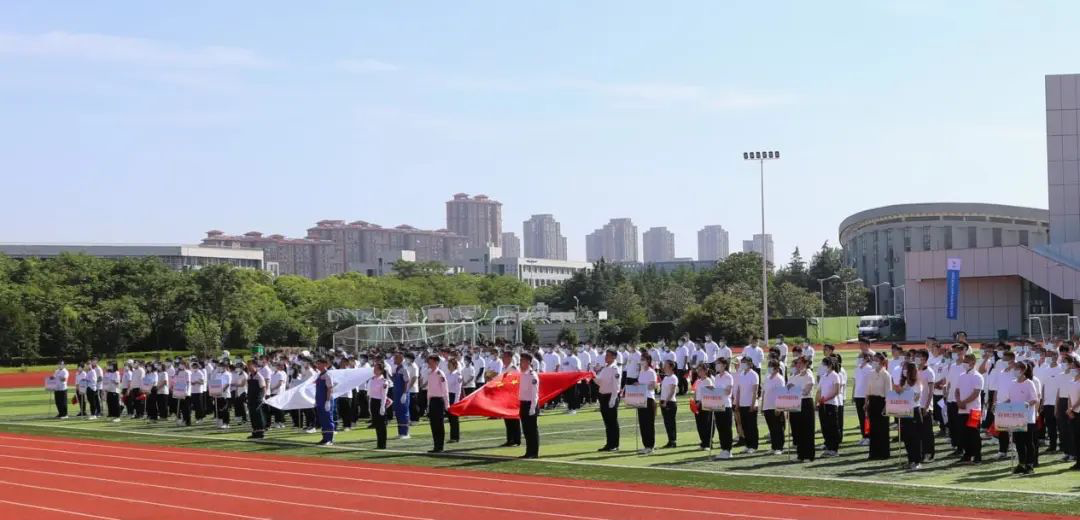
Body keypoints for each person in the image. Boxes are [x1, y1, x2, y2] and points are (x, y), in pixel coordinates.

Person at [1007, 361, 1040, 475]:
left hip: (1027, 418)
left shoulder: (1029, 383)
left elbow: (1034, 399)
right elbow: (1010, 399)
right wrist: (1001, 405)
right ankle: (1021, 463)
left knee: (1028, 442)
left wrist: (1026, 405)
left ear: (1022, 370)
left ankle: (1030, 465)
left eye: (1016, 368)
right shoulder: (1012, 383)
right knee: (1019, 442)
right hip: (1016, 417)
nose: (1014, 370)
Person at [956, 353, 985, 464]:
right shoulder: (961, 375)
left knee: (974, 434)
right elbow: (957, 391)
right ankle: (967, 455)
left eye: (967, 361)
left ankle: (977, 456)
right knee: (964, 433)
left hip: (974, 410)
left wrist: (964, 402)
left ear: (973, 362)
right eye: (964, 361)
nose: (965, 363)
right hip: (962, 409)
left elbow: (976, 393)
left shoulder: (978, 376)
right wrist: (959, 402)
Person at [896, 361, 923, 469]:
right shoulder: (903, 383)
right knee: (907, 438)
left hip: (914, 411)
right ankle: (910, 460)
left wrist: (902, 392)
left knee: (915, 438)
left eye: (906, 368)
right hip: (904, 412)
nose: (904, 370)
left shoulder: (916, 383)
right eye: (903, 368)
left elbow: (915, 398)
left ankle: (917, 461)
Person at [789, 356, 816, 462]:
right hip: (795, 403)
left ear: (805, 364)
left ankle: (809, 455)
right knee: (798, 430)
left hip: (805, 403)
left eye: (800, 363)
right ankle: (800, 454)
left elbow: (806, 391)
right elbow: (788, 388)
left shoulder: (809, 375)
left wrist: (794, 390)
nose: (798, 365)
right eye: (797, 363)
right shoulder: (795, 376)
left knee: (807, 430)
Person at [865, 352, 892, 460]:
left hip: (882, 402)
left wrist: (886, 406)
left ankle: (883, 453)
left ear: (881, 361)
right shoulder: (871, 373)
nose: (874, 362)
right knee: (874, 428)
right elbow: (868, 390)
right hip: (873, 401)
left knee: (883, 428)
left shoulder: (886, 375)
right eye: (873, 360)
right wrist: (866, 402)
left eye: (876, 360)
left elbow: (888, 392)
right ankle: (873, 453)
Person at [733, 356, 760, 455]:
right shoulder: (741, 374)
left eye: (745, 362)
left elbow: (755, 391)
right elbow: (739, 390)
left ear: (750, 363)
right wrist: (737, 403)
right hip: (742, 404)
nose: (743, 364)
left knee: (751, 426)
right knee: (744, 426)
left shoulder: (754, 375)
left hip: (750, 404)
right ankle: (748, 445)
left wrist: (753, 404)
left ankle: (754, 446)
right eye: (742, 362)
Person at [596, 349, 622, 452]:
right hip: (603, 396)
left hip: (611, 396)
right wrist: (593, 375)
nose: (605, 357)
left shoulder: (615, 368)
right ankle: (609, 443)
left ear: (614, 357)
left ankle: (615, 444)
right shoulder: (605, 367)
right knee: (607, 422)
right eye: (606, 355)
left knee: (613, 422)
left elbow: (616, 385)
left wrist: (613, 399)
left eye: (608, 355)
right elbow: (600, 382)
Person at [817, 356, 843, 458]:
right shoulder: (824, 376)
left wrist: (826, 399)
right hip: (822, 404)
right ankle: (828, 446)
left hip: (831, 404)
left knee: (832, 426)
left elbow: (836, 391)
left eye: (825, 364)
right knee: (825, 427)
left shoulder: (835, 375)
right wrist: (818, 401)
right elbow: (819, 390)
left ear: (830, 365)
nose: (823, 366)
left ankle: (834, 449)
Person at [710, 357, 735, 460]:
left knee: (726, 428)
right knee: (720, 428)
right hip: (717, 405)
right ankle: (723, 448)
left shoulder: (728, 377)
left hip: (726, 405)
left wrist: (717, 391)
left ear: (724, 365)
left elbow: (728, 391)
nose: (717, 365)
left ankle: (728, 450)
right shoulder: (716, 377)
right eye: (716, 364)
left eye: (718, 363)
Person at [518, 352, 541, 459]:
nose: (520, 363)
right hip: (523, 403)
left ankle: (534, 452)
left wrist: (532, 408)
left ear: (528, 362)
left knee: (532, 429)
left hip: (530, 404)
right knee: (526, 430)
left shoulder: (532, 375)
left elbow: (534, 394)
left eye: (522, 361)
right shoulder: (522, 373)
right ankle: (528, 451)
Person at [761, 360, 786, 455]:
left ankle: (779, 447)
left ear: (776, 368)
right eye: (769, 365)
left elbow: (781, 393)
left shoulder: (780, 379)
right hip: (767, 406)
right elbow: (764, 392)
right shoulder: (767, 378)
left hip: (775, 406)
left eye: (771, 366)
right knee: (771, 428)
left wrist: (779, 407)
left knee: (778, 428)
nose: (769, 368)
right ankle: (774, 446)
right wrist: (763, 406)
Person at [635, 353, 658, 455]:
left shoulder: (651, 372)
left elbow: (653, 386)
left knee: (649, 424)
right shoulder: (641, 372)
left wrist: (641, 385)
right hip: (641, 399)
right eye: (641, 359)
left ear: (648, 360)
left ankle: (651, 446)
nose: (642, 361)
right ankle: (646, 445)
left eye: (643, 359)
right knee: (642, 424)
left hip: (649, 399)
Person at [367, 363, 392, 449]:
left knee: (382, 425)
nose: (374, 370)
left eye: (376, 369)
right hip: (373, 401)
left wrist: (382, 406)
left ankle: (383, 444)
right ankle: (379, 443)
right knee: (376, 424)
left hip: (380, 402)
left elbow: (384, 395)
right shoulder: (372, 379)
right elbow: (370, 394)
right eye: (374, 368)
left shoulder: (384, 381)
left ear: (381, 371)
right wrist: (370, 405)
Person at [390, 352, 413, 440]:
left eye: (396, 358)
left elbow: (407, 381)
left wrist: (404, 393)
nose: (394, 360)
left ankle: (405, 433)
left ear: (401, 358)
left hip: (403, 393)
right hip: (397, 393)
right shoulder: (397, 368)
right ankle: (400, 432)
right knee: (398, 412)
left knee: (404, 413)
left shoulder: (404, 368)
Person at [314, 358, 336, 446]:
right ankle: (324, 437)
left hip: (326, 400)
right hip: (320, 400)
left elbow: (330, 388)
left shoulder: (328, 375)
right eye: (317, 363)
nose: (317, 365)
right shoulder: (319, 374)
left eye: (319, 364)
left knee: (328, 420)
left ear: (325, 364)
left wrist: (327, 401)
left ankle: (329, 439)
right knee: (323, 420)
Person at [692, 364, 714, 450]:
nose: (699, 371)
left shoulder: (708, 381)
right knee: (700, 424)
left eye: (700, 370)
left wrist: (700, 402)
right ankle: (703, 442)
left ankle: (708, 443)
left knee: (706, 424)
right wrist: (694, 402)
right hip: (697, 403)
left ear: (705, 371)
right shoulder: (697, 381)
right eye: (698, 370)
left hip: (706, 403)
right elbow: (695, 392)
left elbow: (709, 393)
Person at [659, 360, 679, 449]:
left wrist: (666, 402)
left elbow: (672, 391)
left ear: (671, 367)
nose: (664, 367)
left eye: (666, 365)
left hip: (670, 402)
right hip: (663, 401)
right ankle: (670, 440)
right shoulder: (666, 378)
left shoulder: (673, 378)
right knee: (667, 422)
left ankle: (673, 441)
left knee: (671, 422)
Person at [245, 360, 267, 439]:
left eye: (250, 365)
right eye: (248, 365)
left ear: (254, 366)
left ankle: (261, 432)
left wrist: (263, 397)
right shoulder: (249, 375)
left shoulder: (259, 376)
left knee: (259, 415)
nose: (248, 367)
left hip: (258, 398)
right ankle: (255, 432)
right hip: (251, 398)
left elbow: (263, 387)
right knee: (252, 415)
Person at [446, 357, 462, 443]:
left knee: (454, 418)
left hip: (454, 396)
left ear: (454, 365)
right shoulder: (447, 374)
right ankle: (452, 436)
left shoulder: (457, 375)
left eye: (450, 364)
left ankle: (455, 437)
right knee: (450, 418)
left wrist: (456, 401)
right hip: (448, 396)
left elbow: (458, 389)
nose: (448, 365)